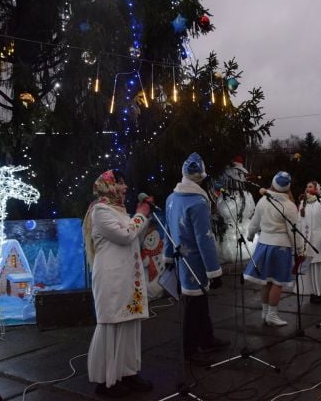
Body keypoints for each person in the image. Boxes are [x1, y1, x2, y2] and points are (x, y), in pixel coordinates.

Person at [82, 169, 153, 397]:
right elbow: (125, 234)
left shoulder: (119, 210)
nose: (125, 188)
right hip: (111, 278)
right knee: (112, 324)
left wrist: (139, 218)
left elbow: (134, 235)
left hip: (127, 275)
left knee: (130, 322)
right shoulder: (100, 211)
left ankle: (128, 372)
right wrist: (141, 215)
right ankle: (107, 380)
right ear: (108, 186)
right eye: (120, 183)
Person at [163, 153, 230, 363]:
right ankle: (190, 349)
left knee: (197, 302)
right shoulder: (199, 202)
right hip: (195, 261)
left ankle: (206, 338)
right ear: (201, 176)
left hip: (181, 259)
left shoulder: (171, 198)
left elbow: (168, 231)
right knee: (193, 305)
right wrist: (214, 271)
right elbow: (205, 239)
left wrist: (167, 257)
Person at [244, 171, 303, 326]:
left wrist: (250, 236)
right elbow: (294, 230)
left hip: (264, 245)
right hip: (280, 247)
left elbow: (254, 222)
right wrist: (300, 249)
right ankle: (272, 314)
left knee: (266, 281)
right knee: (277, 282)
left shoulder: (263, 201)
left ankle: (265, 312)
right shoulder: (289, 206)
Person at [298, 181, 321, 304]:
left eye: (310, 186)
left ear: (316, 189)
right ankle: (314, 293)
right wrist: (299, 240)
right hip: (307, 242)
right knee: (311, 268)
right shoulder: (303, 203)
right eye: (306, 186)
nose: (308, 188)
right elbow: (299, 222)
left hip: (320, 242)